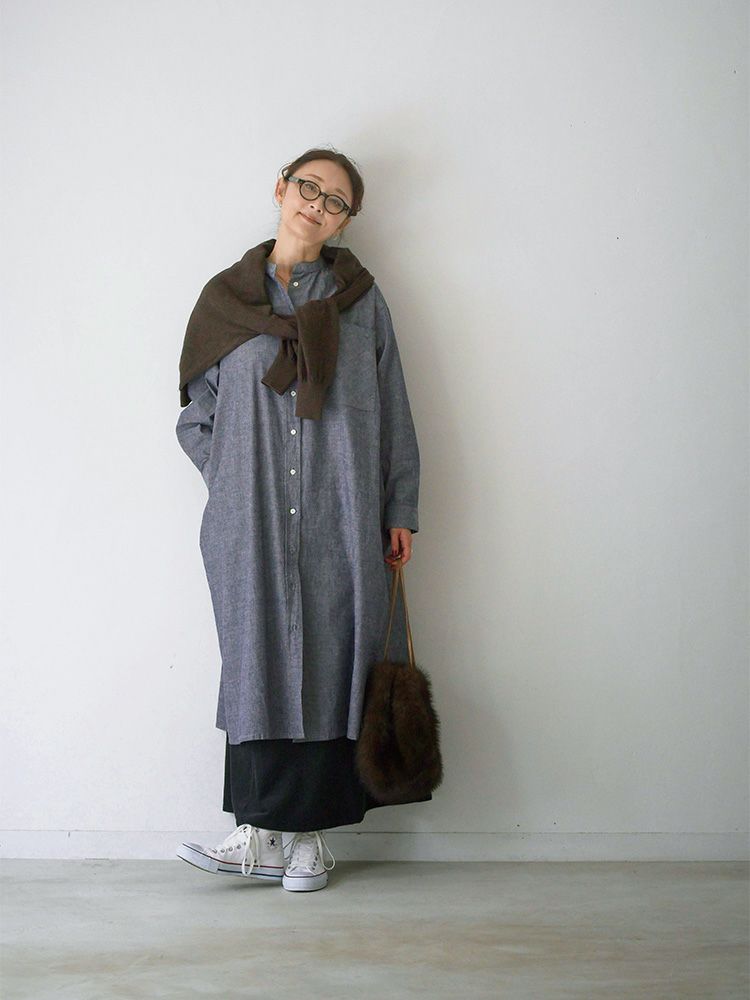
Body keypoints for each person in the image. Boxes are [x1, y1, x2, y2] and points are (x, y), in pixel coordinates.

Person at [174, 147, 427, 893]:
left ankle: (310, 838)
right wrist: (229, 478)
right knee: (255, 659)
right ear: (282, 188)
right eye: (309, 188)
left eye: (336, 200)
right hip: (247, 518)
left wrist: (400, 505)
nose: (317, 205)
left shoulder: (362, 303)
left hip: (342, 511)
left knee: (333, 656)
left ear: (347, 219)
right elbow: (195, 415)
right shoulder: (224, 299)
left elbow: (393, 407)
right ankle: (257, 832)